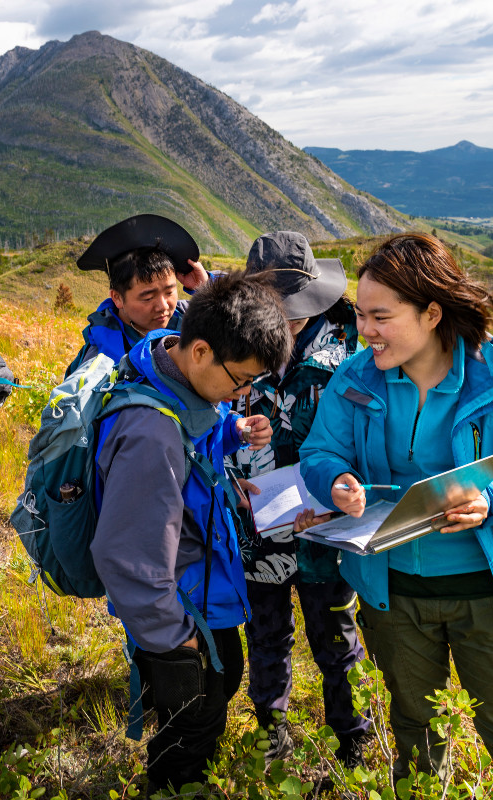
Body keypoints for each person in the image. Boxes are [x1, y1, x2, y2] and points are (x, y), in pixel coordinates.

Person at [299, 233, 493, 798]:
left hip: (491, 595)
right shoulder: (354, 379)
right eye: (360, 315)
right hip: (394, 596)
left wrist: (492, 500)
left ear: (431, 312)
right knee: (415, 743)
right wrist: (336, 481)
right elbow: (320, 452)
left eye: (380, 317)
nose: (364, 331)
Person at [91, 272, 293, 791]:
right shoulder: (150, 433)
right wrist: (176, 643)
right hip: (180, 612)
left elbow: (191, 460)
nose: (244, 393)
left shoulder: (177, 380)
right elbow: (125, 555)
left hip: (205, 589)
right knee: (192, 729)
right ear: (200, 350)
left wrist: (229, 435)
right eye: (241, 380)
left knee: (215, 694)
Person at [226, 232, 371, 766]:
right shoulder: (236, 340)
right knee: (265, 634)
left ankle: (352, 737)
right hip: (258, 524)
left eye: (292, 312)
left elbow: (368, 441)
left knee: (335, 637)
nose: (283, 323)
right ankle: (272, 728)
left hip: (324, 529)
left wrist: (342, 501)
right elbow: (215, 420)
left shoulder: (352, 350)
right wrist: (232, 471)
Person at [65, 214, 209, 376]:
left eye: (169, 292)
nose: (163, 306)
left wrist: (205, 289)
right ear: (117, 298)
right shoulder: (101, 361)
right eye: (148, 297)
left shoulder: (190, 316)